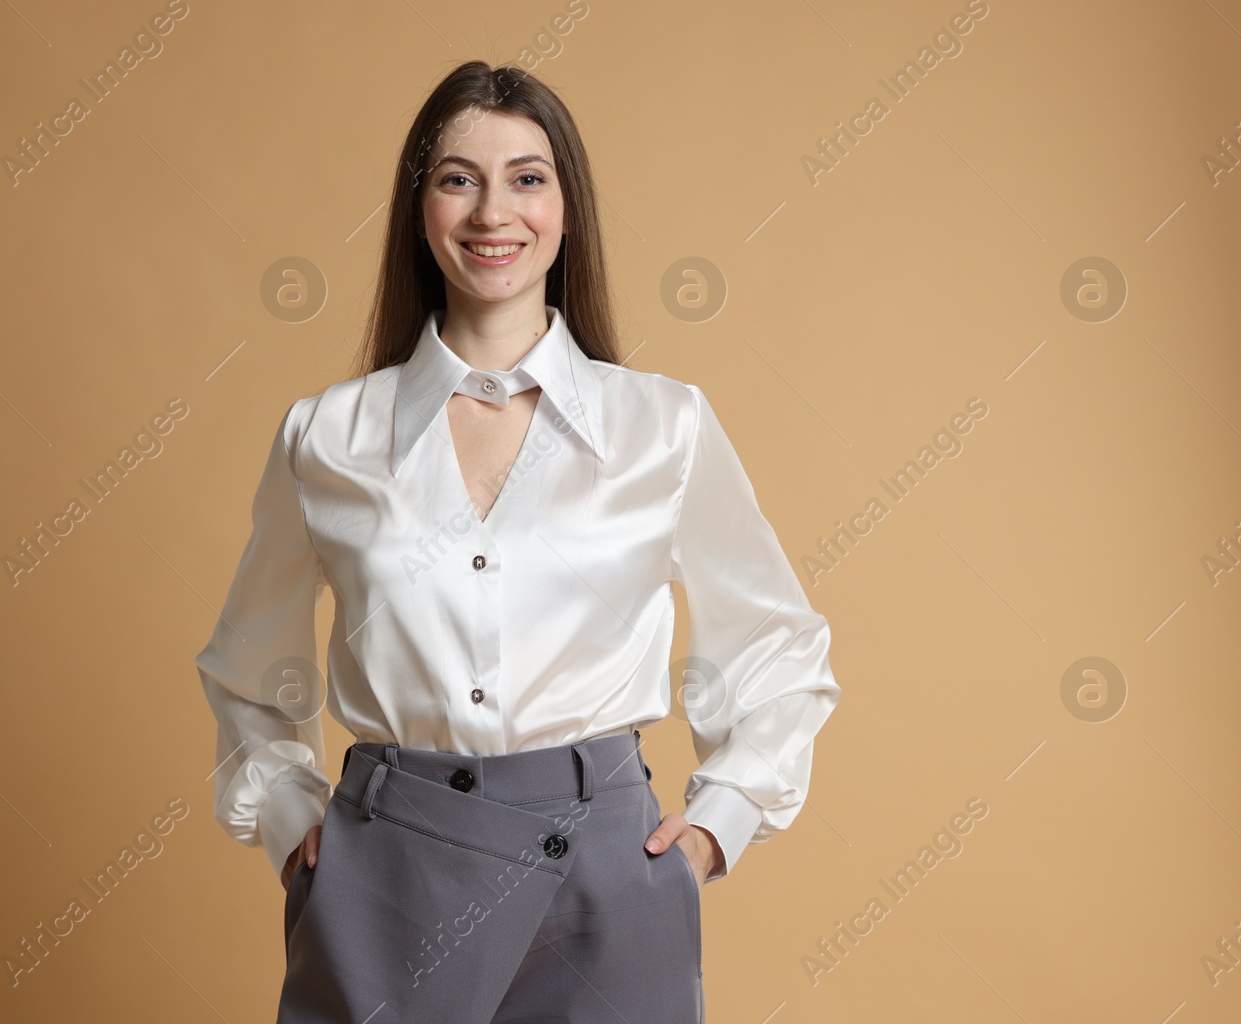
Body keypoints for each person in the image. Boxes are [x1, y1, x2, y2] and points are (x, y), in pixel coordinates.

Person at [194, 60, 841, 1024]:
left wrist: (713, 829)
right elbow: (250, 670)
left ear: (567, 208)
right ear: (420, 209)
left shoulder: (662, 426)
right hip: (385, 875)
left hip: (609, 881)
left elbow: (778, 647)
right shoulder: (327, 436)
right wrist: (295, 827)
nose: (494, 211)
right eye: (458, 178)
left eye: (527, 178)